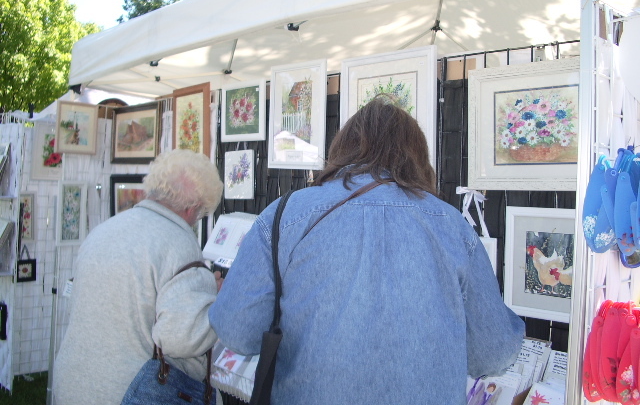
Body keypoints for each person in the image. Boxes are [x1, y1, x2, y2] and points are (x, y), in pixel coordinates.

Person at [209, 95, 525, 404]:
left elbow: (237, 332)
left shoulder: (285, 216)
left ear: (341, 149)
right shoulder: (452, 225)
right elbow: (493, 352)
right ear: (416, 155)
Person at [53, 149, 224, 405]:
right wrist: (217, 302)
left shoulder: (104, 230)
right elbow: (181, 340)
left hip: (72, 383)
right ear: (193, 207)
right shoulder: (179, 244)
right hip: (129, 393)